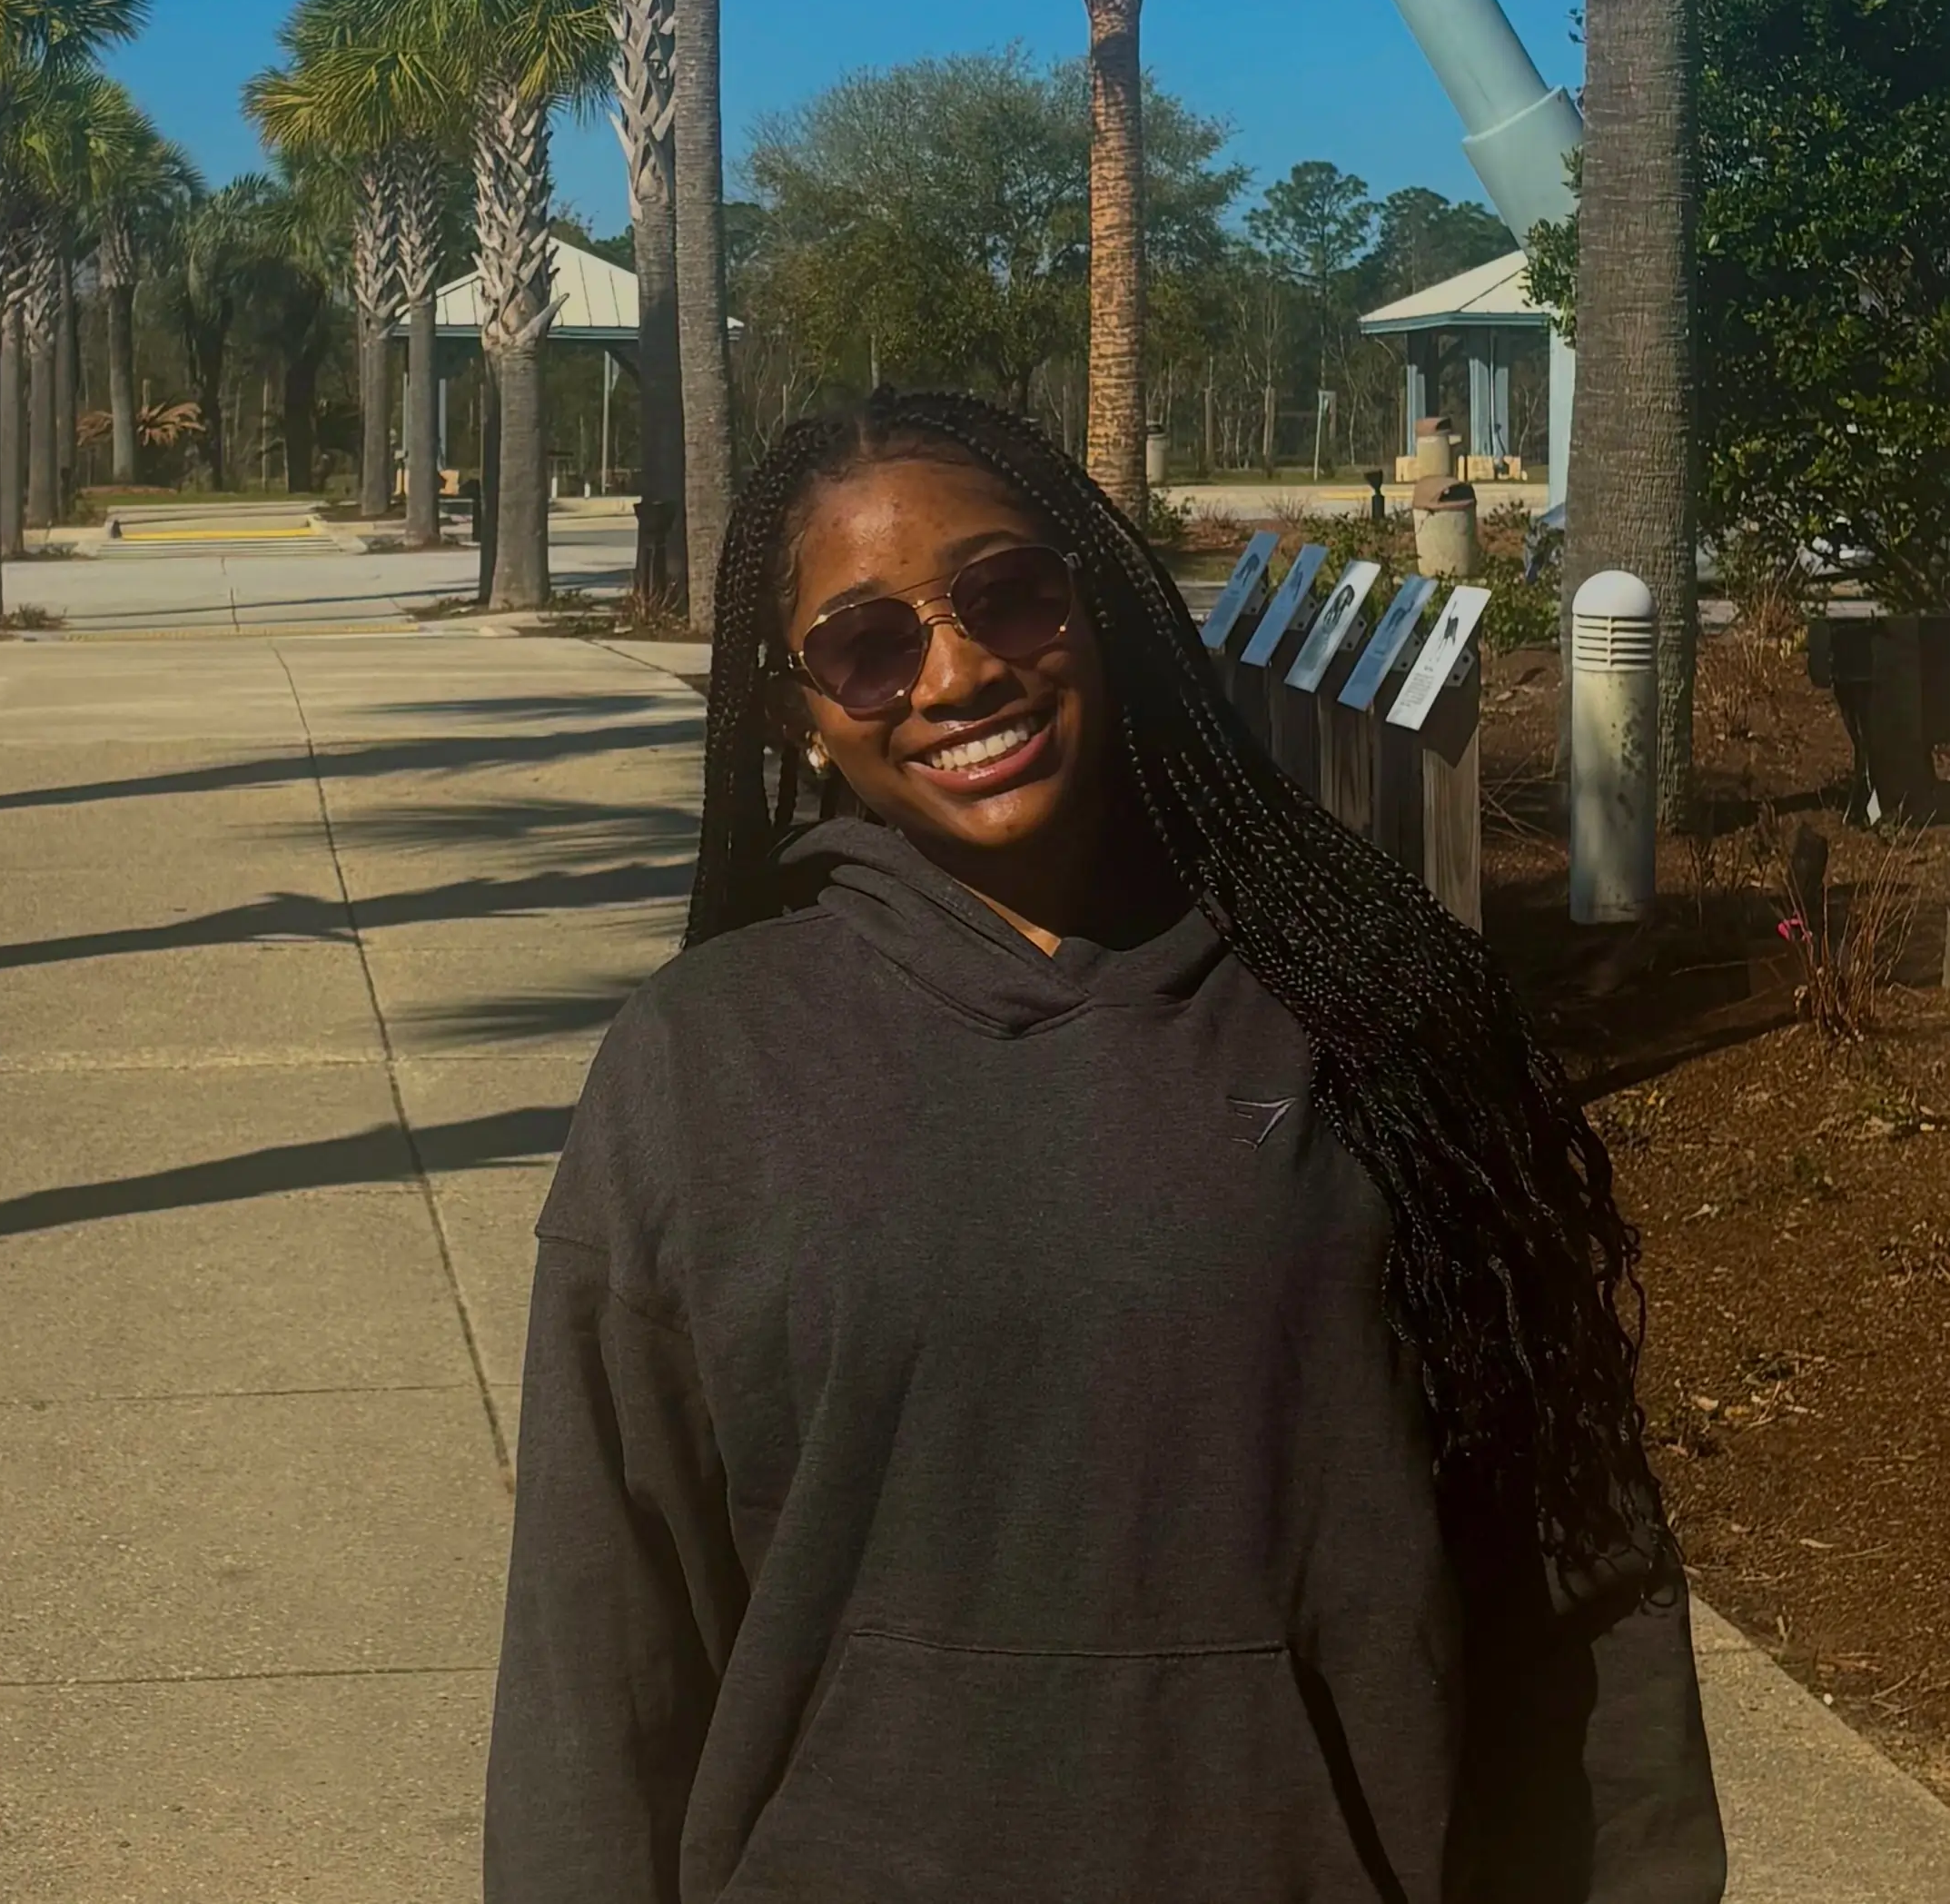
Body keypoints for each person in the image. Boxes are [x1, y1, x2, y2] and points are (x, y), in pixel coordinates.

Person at [485, 390, 1723, 1904]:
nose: (956, 673)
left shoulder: (1380, 1011)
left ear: (1103, 603)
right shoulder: (699, 1067)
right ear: (795, 710)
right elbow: (597, 1651)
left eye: (1006, 594)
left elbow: (1571, 1573)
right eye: (868, 646)